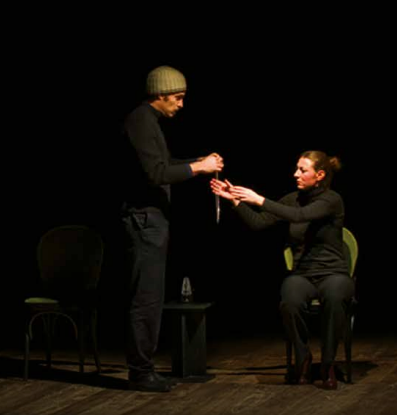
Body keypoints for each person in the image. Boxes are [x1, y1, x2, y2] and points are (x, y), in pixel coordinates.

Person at [118, 65, 224, 392]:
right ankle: (141, 371)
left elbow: (165, 164)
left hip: (152, 220)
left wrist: (198, 162)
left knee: (151, 295)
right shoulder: (140, 121)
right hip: (144, 220)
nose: (181, 104)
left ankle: (143, 368)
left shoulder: (149, 121)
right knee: (146, 297)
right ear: (160, 94)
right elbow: (156, 174)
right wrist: (199, 167)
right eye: (177, 97)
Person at [210, 151, 352, 390]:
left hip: (334, 272)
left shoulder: (331, 200)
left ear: (319, 175)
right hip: (303, 273)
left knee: (335, 298)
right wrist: (235, 201)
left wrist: (259, 199)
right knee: (290, 301)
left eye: (302, 170)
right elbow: (258, 223)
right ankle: (303, 358)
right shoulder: (291, 199)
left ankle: (328, 364)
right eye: (297, 168)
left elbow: (300, 215)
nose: (296, 174)